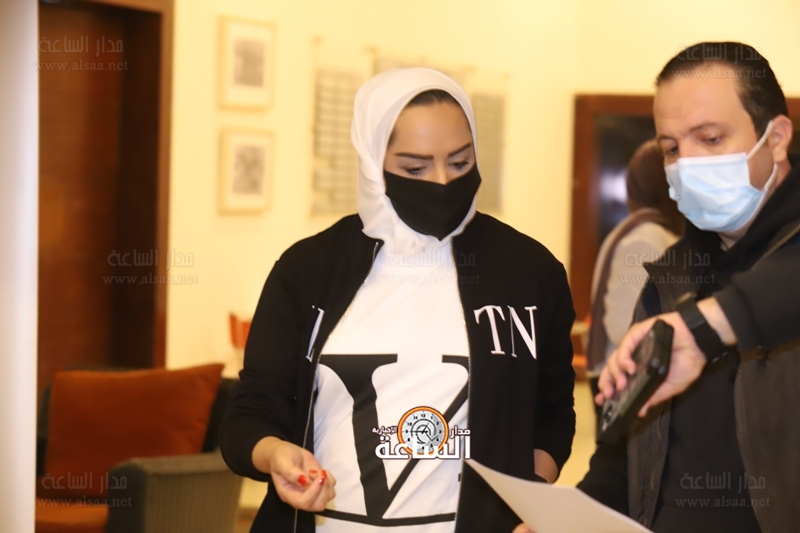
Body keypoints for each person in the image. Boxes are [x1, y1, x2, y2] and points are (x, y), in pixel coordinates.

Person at [220, 67, 577, 533]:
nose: (442, 182)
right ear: (373, 162)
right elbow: (250, 412)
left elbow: (552, 414)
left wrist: (528, 500)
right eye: (415, 168)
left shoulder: (528, 271)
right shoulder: (308, 270)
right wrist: (275, 456)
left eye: (460, 162)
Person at [577, 42, 800, 533]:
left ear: (777, 138)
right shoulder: (669, 277)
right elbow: (622, 454)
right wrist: (569, 516)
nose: (688, 164)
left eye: (711, 138)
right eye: (672, 149)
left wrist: (702, 329)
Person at [586, 139, 683, 428]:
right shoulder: (644, 239)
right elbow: (623, 324)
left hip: (633, 375)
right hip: (627, 378)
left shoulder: (651, 231)